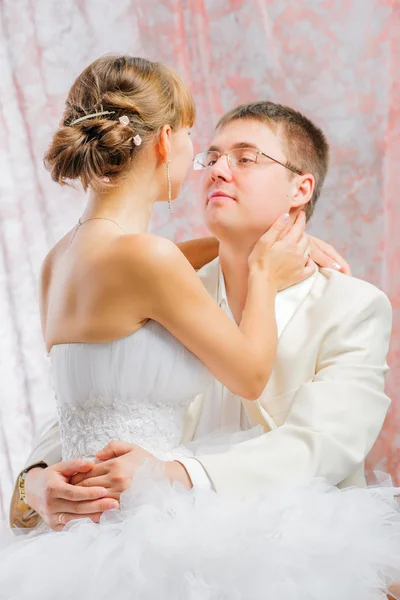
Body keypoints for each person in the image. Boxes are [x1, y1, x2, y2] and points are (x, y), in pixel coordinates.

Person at [2, 56, 399, 600]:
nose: (214, 167)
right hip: (142, 559)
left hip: (288, 556)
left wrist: (177, 473)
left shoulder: (352, 305)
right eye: (209, 153)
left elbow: (320, 445)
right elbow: (89, 405)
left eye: (246, 157)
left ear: (299, 190)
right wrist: (33, 482)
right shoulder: (161, 274)